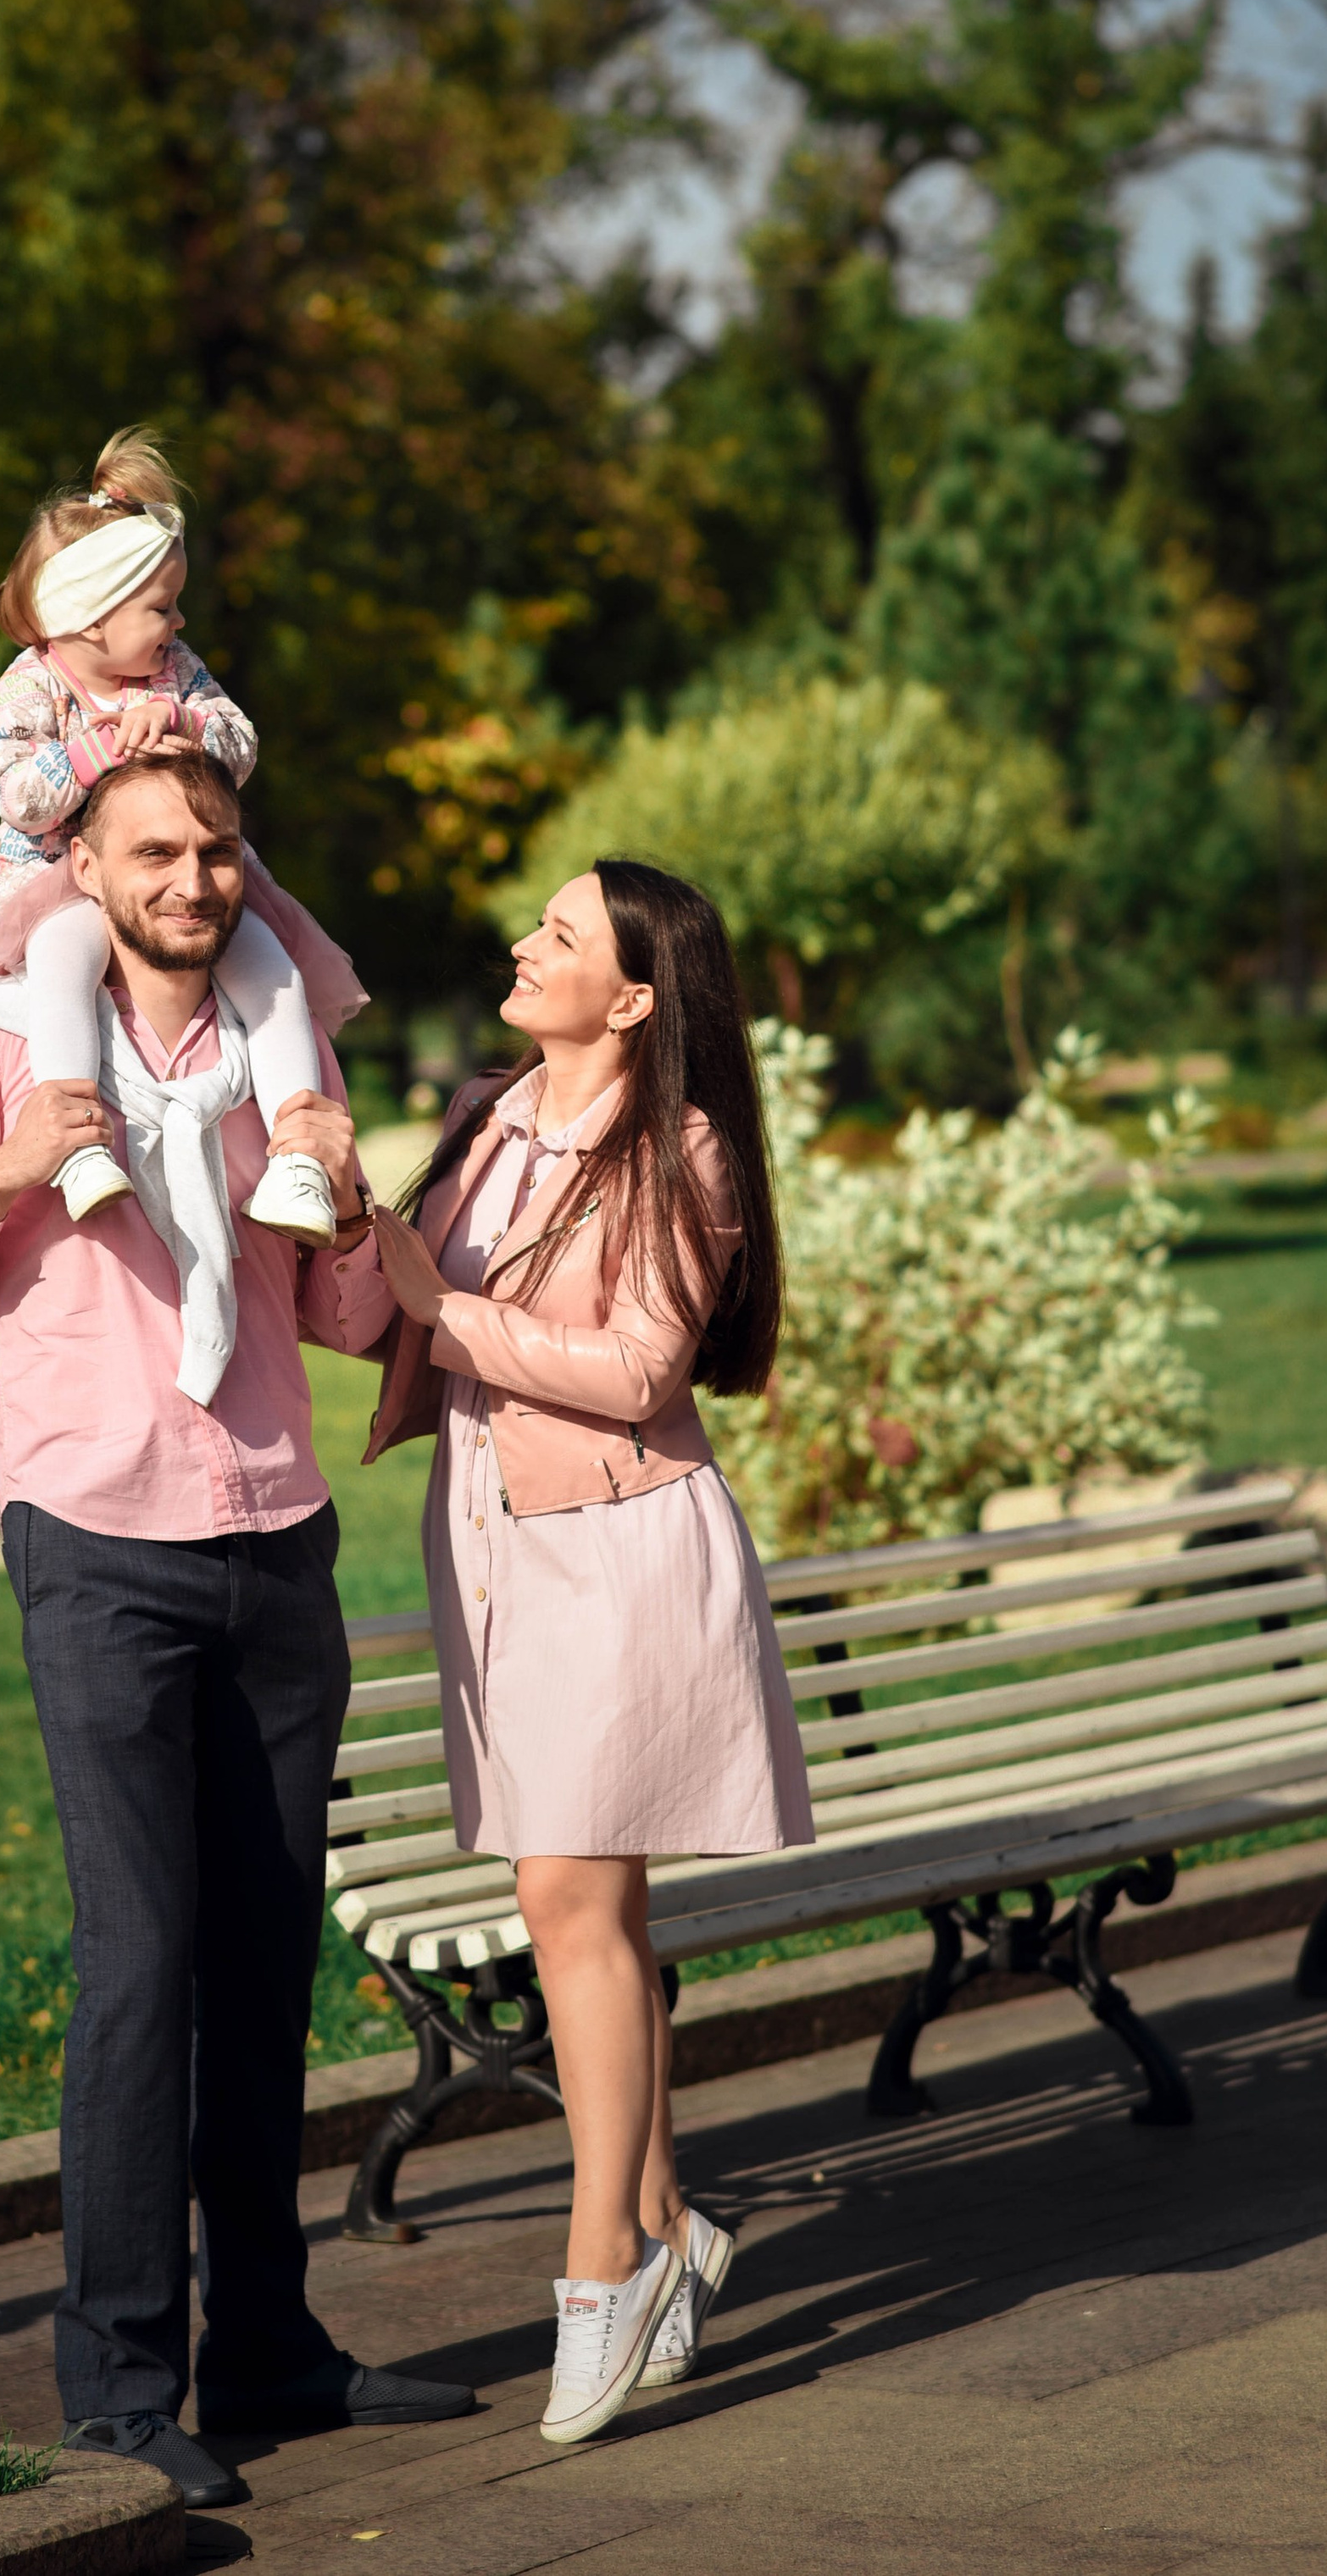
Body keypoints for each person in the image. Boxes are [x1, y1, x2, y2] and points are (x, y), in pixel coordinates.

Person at [0, 751, 474, 2507]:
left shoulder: (285, 1049)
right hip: (98, 1542)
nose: (193, 876)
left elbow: (346, 1314)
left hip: (274, 1539)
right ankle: (120, 2387)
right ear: (84, 861)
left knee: (265, 1961)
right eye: (155, 849)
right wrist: (3, 1181)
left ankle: (267, 2345)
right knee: (140, 1965)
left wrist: (353, 1203)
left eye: (214, 847)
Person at [361, 858, 812, 2450]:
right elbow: (384, 1314)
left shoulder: (681, 1150)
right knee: (592, 1908)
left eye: (559, 932)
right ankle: (676, 2220)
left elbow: (636, 1370)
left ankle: (605, 2261)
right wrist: (324, 1211)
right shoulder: (490, 1117)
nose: (520, 941)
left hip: (616, 1552)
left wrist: (444, 1307)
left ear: (630, 993)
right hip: (491, 1548)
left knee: (564, 1900)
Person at [0, 426, 364, 1246]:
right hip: (62, 882)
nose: (177, 621)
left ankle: (298, 1157)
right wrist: (95, 749)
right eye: (160, 606)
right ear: (92, 618)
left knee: (272, 974)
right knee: (63, 968)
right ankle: (73, 1142)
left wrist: (182, 720)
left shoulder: (176, 673)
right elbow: (16, 792)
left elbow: (240, 748)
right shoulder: (33, 685)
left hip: (187, 872)